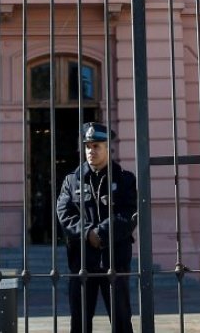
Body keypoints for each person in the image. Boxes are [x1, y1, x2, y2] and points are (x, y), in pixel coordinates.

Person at [56, 122, 137, 333]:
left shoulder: (125, 179)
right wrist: (87, 233)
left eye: (96, 146)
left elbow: (130, 214)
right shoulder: (71, 180)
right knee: (80, 321)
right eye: (88, 146)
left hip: (115, 259)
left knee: (121, 319)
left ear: (107, 147)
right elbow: (64, 214)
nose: (91, 151)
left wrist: (100, 234)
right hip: (82, 259)